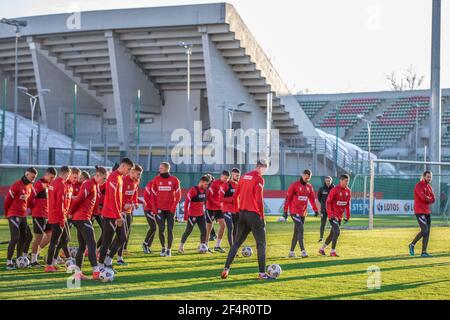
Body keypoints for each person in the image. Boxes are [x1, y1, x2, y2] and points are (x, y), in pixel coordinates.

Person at [221, 159, 275, 280]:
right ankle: (262, 274)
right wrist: (262, 216)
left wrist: (238, 211)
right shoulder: (259, 178)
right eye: (266, 168)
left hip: (242, 214)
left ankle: (226, 268)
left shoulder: (244, 176)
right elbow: (258, 199)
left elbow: (235, 196)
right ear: (263, 167)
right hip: (254, 216)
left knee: (236, 244)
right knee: (261, 244)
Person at [68, 166, 108, 280]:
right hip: (81, 218)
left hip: (82, 218)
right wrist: (71, 213)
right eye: (104, 179)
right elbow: (78, 199)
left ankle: (77, 273)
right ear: (98, 175)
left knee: (82, 246)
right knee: (92, 244)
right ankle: (96, 272)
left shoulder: (94, 185)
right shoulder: (88, 184)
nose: (104, 181)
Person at [98, 158, 134, 270]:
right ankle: (100, 266)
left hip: (117, 213)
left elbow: (118, 198)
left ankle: (108, 261)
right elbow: (112, 198)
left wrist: (122, 208)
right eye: (128, 169)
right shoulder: (114, 177)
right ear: (123, 166)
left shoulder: (120, 178)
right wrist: (118, 216)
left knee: (122, 238)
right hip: (110, 215)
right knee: (106, 242)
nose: (128, 172)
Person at [4, 167, 38, 270]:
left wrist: (29, 208)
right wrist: (7, 214)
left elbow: (28, 201)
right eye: (32, 177)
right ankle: (9, 262)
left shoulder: (30, 186)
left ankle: (19, 259)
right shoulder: (16, 185)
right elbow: (7, 201)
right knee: (15, 237)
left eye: (35, 178)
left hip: (23, 215)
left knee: (27, 236)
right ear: (27, 175)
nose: (33, 180)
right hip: (13, 214)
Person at [283, 169, 319, 258]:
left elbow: (312, 199)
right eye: (306, 176)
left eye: (308, 177)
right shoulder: (294, 185)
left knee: (297, 232)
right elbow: (288, 198)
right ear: (302, 175)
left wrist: (315, 210)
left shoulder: (309, 187)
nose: (307, 178)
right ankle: (303, 251)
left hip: (303, 213)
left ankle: (291, 252)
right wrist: (285, 211)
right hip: (294, 212)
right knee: (301, 229)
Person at [112, 164, 142, 265]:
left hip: (128, 211)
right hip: (119, 211)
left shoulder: (136, 181)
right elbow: (118, 196)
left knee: (124, 235)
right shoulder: (123, 180)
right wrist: (124, 205)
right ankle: (108, 254)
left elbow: (135, 193)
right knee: (117, 235)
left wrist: (135, 202)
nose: (139, 176)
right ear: (132, 172)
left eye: (140, 174)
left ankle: (119, 257)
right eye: (138, 174)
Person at [27, 167, 57, 267]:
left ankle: (35, 253)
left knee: (50, 235)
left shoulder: (50, 185)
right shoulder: (39, 184)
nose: (52, 179)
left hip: (47, 215)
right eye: (51, 177)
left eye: (54, 178)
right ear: (46, 174)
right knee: (38, 238)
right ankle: (33, 261)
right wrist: (29, 208)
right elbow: (31, 197)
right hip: (38, 214)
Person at [150, 162, 181, 257]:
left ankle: (169, 249)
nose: (159, 169)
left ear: (167, 169)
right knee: (161, 229)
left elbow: (178, 195)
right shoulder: (156, 179)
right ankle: (163, 248)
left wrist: (173, 207)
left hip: (170, 210)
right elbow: (152, 195)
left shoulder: (175, 180)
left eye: (161, 168)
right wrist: (154, 208)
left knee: (170, 230)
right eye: (159, 168)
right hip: (160, 210)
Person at [45, 166, 72, 272]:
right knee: (54, 241)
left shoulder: (53, 183)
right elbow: (60, 203)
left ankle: (54, 261)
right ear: (67, 174)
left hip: (54, 215)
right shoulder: (61, 184)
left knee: (65, 238)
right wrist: (61, 219)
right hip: (58, 217)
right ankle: (48, 265)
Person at [319, 174, 351, 257]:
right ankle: (332, 251)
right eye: (346, 181)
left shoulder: (348, 191)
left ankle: (322, 249)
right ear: (341, 181)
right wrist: (330, 214)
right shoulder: (334, 190)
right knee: (337, 232)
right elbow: (328, 202)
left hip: (339, 216)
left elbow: (347, 204)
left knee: (332, 234)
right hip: (333, 215)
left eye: (348, 181)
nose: (347, 183)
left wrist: (348, 216)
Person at [178, 175, 210, 253]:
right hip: (192, 215)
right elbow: (186, 202)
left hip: (201, 215)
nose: (207, 186)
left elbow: (205, 202)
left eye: (207, 184)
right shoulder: (193, 190)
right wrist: (185, 215)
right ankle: (181, 247)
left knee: (204, 231)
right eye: (206, 184)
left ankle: (202, 246)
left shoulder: (205, 191)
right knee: (188, 231)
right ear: (201, 182)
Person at [409, 171, 435, 257]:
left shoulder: (429, 187)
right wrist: (428, 198)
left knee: (427, 232)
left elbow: (433, 199)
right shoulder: (418, 186)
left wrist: (428, 198)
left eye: (430, 177)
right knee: (424, 230)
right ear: (424, 176)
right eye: (428, 177)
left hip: (427, 211)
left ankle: (424, 252)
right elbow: (422, 197)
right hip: (419, 211)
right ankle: (412, 244)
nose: (429, 178)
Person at [206, 170, 230, 253]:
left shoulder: (227, 184)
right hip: (211, 207)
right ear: (221, 176)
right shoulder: (214, 183)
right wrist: (218, 204)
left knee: (223, 225)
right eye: (225, 178)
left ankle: (217, 246)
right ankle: (206, 246)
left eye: (227, 178)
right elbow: (209, 197)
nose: (226, 180)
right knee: (209, 227)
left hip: (219, 208)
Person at [222, 168, 240, 248]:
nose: (238, 177)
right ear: (232, 175)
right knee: (230, 228)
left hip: (236, 211)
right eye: (236, 175)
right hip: (227, 210)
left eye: (239, 175)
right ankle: (232, 247)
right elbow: (220, 198)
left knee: (236, 229)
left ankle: (235, 246)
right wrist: (231, 200)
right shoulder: (225, 185)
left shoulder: (239, 185)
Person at [317, 176, 334, 242]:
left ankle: (332, 237)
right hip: (324, 210)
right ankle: (321, 238)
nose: (328, 182)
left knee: (333, 224)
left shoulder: (334, 188)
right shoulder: (321, 189)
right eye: (327, 181)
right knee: (323, 223)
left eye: (329, 181)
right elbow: (318, 199)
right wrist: (321, 207)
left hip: (332, 210)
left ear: (331, 181)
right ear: (325, 181)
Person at [142, 175, 156, 254]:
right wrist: (153, 207)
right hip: (149, 209)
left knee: (154, 228)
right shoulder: (150, 184)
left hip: (155, 210)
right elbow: (146, 197)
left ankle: (147, 246)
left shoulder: (160, 185)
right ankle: (145, 244)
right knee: (153, 227)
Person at [92, 179, 106, 250]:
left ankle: (95, 248)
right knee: (87, 232)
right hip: (92, 211)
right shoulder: (92, 185)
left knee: (105, 230)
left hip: (101, 211)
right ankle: (86, 248)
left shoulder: (107, 184)